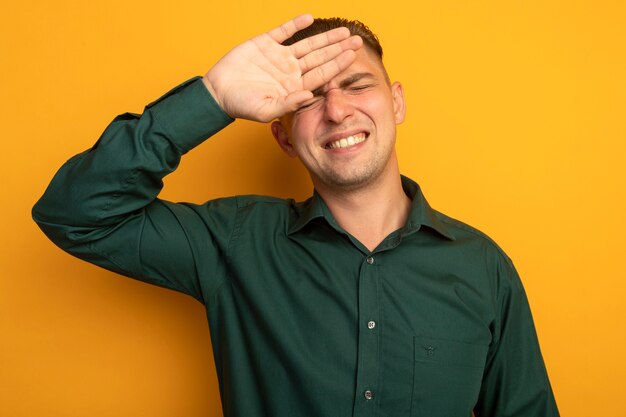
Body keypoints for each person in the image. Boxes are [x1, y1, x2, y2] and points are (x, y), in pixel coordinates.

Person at [33, 14, 559, 417]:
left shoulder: (482, 266)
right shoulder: (234, 241)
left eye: (357, 85)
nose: (336, 111)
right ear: (283, 135)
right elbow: (75, 214)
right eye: (308, 99)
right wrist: (211, 98)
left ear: (395, 103)